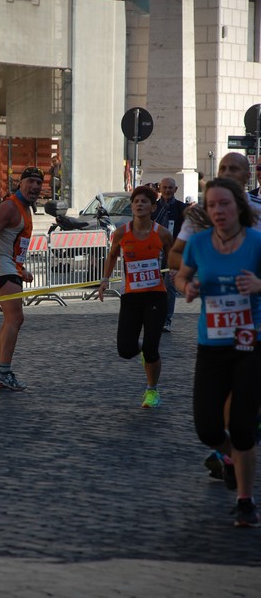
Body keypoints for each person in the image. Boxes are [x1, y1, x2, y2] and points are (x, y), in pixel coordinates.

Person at [175, 177, 261, 527]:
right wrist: (188, 287)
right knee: (207, 429)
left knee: (241, 428)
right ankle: (234, 460)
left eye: (224, 204)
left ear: (238, 206)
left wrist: (259, 285)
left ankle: (245, 500)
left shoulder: (257, 242)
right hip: (211, 344)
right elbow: (179, 276)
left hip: (249, 343)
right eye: (212, 206)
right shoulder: (198, 244)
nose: (218, 211)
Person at [99, 185, 173, 408]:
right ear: (132, 206)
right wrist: (104, 280)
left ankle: (152, 391)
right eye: (136, 201)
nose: (139, 204)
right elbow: (112, 256)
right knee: (125, 349)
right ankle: (145, 352)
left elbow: (172, 257)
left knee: (152, 349)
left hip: (156, 297)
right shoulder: (121, 233)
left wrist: (175, 274)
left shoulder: (162, 233)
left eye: (144, 202)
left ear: (152, 207)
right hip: (131, 297)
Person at [0, 166, 43, 391]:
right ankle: (4, 371)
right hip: (2, 270)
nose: (34, 186)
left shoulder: (26, 209)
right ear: (20, 183)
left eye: (38, 183)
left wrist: (22, 270)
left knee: (9, 321)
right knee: (16, 319)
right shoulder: (10, 206)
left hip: (11, 269)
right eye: (30, 181)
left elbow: (14, 246)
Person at [152, 177, 188, 332]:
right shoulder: (153, 207)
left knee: (169, 286)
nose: (167, 190)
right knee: (153, 286)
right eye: (164, 187)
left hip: (174, 253)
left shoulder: (182, 208)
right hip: (154, 252)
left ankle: (166, 319)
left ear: (176, 189)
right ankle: (152, 316)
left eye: (170, 188)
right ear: (160, 188)